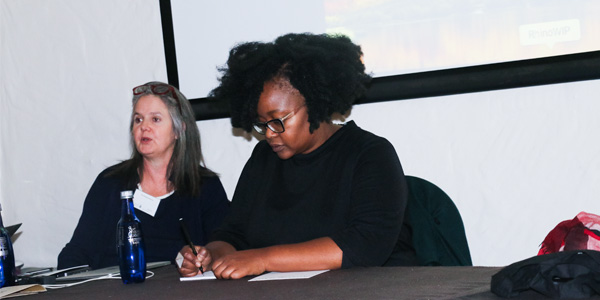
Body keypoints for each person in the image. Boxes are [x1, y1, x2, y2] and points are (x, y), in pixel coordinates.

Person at [177, 33, 417, 279]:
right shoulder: (263, 158)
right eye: (262, 124)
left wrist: (263, 259)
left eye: (278, 120)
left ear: (314, 103)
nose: (269, 134)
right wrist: (210, 255)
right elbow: (233, 234)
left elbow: (364, 247)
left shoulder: (370, 154)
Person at [58, 81, 230, 269]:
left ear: (179, 129)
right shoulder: (109, 183)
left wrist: (203, 257)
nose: (144, 127)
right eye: (138, 119)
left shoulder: (205, 186)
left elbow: (224, 247)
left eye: (155, 119)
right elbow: (77, 251)